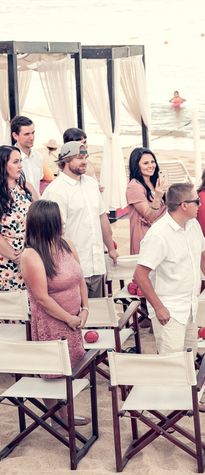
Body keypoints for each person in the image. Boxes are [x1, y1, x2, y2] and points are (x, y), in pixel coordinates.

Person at [134, 183, 205, 358]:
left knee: (189, 359)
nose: (200, 205)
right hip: (169, 311)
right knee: (171, 366)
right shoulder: (158, 235)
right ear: (184, 205)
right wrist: (159, 308)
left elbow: (204, 259)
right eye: (197, 201)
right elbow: (139, 276)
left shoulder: (193, 224)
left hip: (191, 307)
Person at [20, 200, 89, 425]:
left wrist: (85, 309)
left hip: (74, 318)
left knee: (71, 370)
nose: (63, 222)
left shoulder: (65, 244)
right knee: (54, 372)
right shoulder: (31, 255)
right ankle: (57, 419)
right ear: (48, 223)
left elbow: (80, 278)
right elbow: (41, 297)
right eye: (58, 219)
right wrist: (68, 318)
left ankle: (66, 415)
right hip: (52, 321)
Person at [42, 141, 118, 297]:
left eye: (85, 157)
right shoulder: (56, 191)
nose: (84, 161)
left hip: (97, 265)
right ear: (65, 161)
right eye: (79, 157)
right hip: (72, 269)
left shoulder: (91, 184)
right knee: (78, 317)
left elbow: (102, 217)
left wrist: (110, 248)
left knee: (99, 317)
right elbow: (55, 234)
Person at [0, 146, 38, 291]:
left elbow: (41, 218)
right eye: (15, 162)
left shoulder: (27, 188)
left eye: (20, 161)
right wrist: (16, 257)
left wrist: (29, 254)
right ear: (3, 164)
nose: (20, 165)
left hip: (31, 257)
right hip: (5, 264)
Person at [126, 147, 168, 254]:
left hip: (160, 234)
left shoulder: (154, 182)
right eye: (145, 163)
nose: (151, 166)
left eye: (152, 162)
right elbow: (149, 216)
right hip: (145, 236)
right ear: (137, 166)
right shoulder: (134, 186)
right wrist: (158, 196)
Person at [10, 116, 43, 188]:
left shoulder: (38, 157)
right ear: (15, 135)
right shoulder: (8, 158)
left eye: (33, 133)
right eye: (27, 134)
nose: (32, 137)